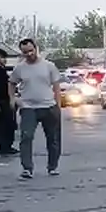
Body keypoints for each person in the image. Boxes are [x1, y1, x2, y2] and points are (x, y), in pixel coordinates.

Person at [10, 36, 63, 179]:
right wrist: (13, 99)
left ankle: (52, 166)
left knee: (53, 138)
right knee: (26, 137)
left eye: (31, 50)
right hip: (28, 107)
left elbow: (56, 86)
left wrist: (58, 106)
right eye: (25, 52)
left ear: (36, 48)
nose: (29, 54)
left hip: (49, 106)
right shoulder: (20, 68)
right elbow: (12, 83)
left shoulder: (49, 66)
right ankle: (27, 168)